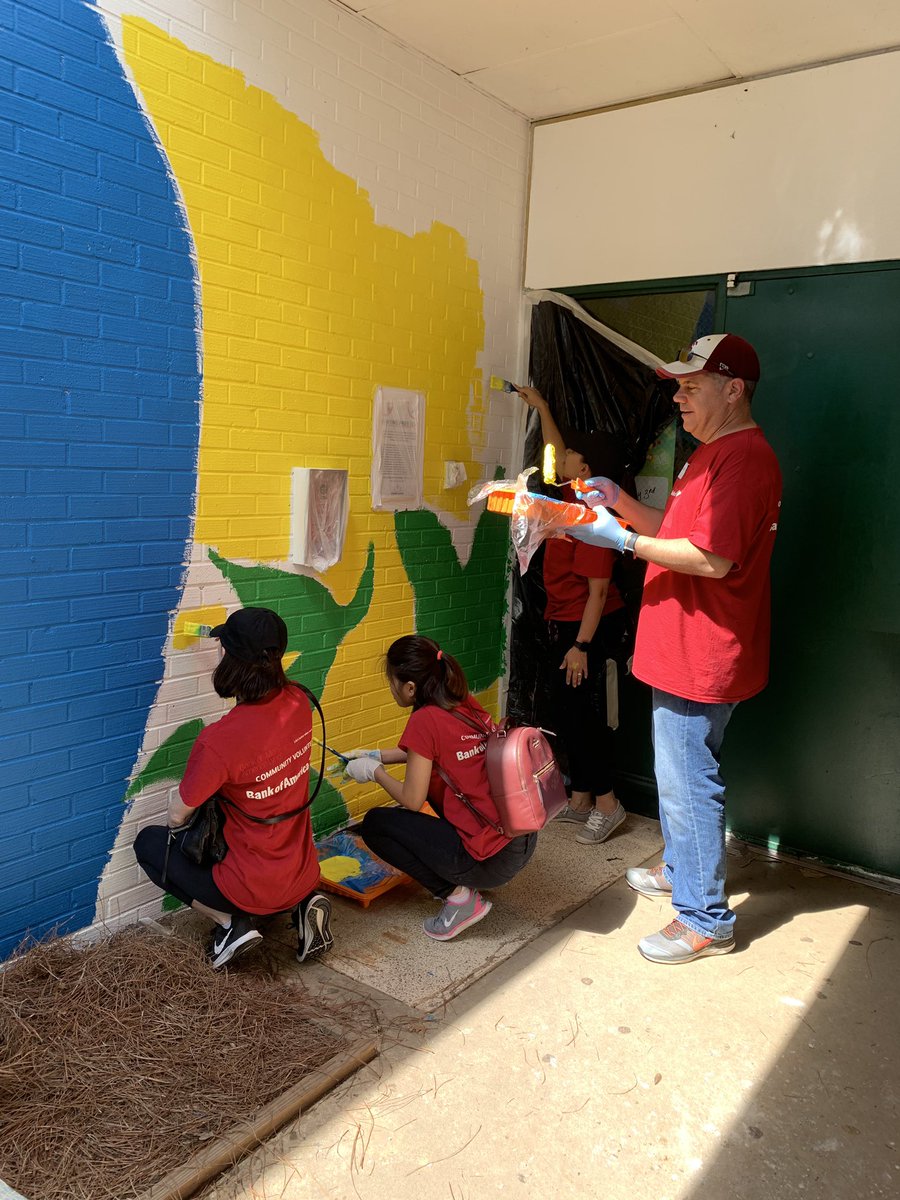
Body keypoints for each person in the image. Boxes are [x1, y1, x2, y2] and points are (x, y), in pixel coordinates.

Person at [567, 333, 781, 964]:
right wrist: (621, 506)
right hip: (682, 648)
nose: (679, 397)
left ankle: (704, 920)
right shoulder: (708, 454)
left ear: (734, 389)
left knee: (689, 781)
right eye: (677, 386)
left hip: (700, 654)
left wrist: (621, 543)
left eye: (693, 385)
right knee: (679, 774)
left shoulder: (743, 460)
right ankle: (681, 872)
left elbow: (711, 559)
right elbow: (675, 531)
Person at [134, 607, 333, 969]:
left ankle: (232, 925)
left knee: (150, 843)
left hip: (251, 886)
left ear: (230, 658)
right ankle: (304, 903)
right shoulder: (299, 703)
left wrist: (179, 824)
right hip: (302, 869)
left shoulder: (220, 741)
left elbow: (179, 812)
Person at [349, 636, 537, 940]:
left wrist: (375, 772)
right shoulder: (461, 702)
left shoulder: (424, 720)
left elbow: (412, 799)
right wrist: (377, 755)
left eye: (392, 682)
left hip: (492, 860)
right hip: (521, 840)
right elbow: (432, 753)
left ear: (410, 687)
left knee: (375, 824)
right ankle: (466, 879)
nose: (391, 688)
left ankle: (458, 898)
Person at [516, 386, 630, 846]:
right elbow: (556, 448)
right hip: (564, 621)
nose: (558, 460)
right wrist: (542, 405)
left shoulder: (593, 518)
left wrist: (580, 647)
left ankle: (608, 804)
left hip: (589, 628)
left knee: (585, 717)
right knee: (566, 712)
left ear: (586, 471)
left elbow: (599, 593)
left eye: (570, 458)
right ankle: (580, 797)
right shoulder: (568, 495)